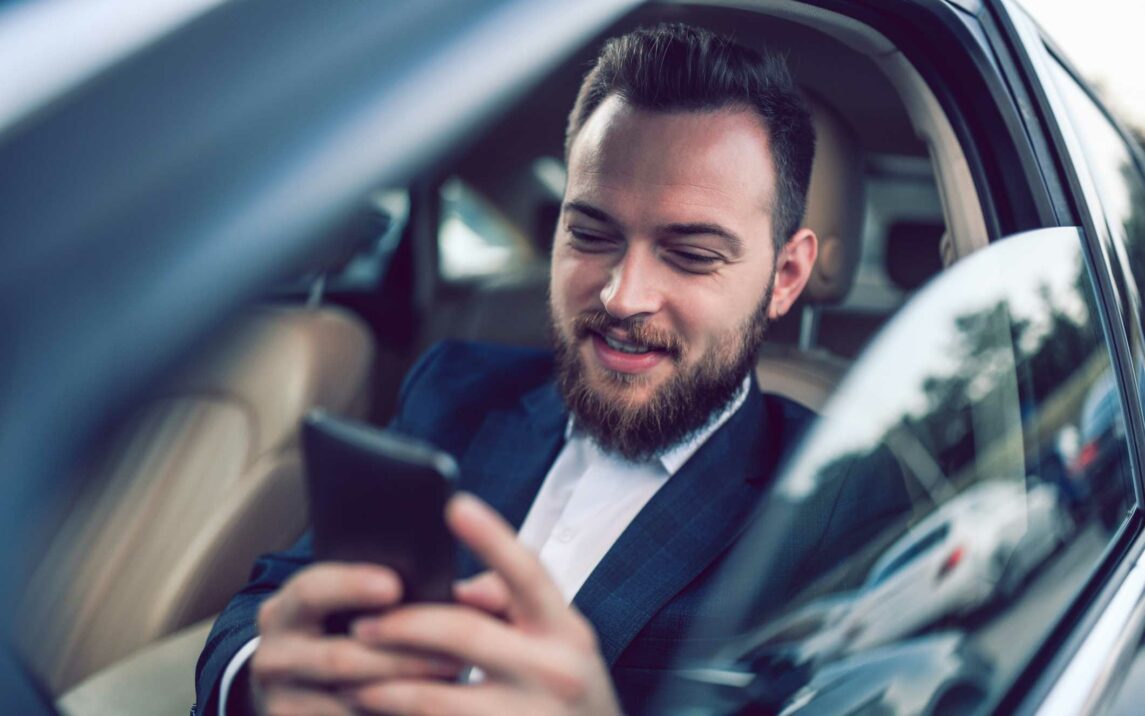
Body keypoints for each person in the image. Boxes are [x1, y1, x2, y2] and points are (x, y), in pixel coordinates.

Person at [195, 22, 824, 715]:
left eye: (691, 253)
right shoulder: (454, 388)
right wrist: (265, 679)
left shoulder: (839, 498)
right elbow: (278, 596)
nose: (622, 296)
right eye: (590, 234)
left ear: (785, 276)